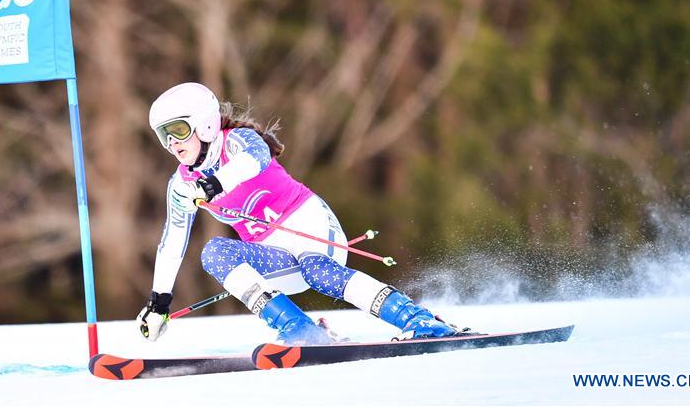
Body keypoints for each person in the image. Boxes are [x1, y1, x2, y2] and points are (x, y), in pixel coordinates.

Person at [136, 82, 460, 345]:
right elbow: (173, 242)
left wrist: (213, 185)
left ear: (203, 123)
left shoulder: (236, 142)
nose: (171, 143)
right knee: (214, 252)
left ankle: (418, 319)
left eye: (177, 130)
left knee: (317, 270)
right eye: (163, 135)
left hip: (311, 227)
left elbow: (255, 159)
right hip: (273, 255)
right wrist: (158, 302)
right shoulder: (182, 184)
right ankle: (301, 330)